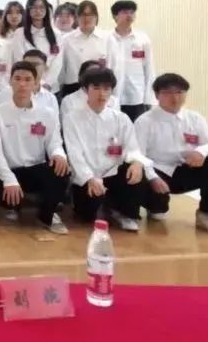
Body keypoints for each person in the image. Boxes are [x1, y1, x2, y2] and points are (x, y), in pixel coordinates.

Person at [135, 73, 208, 238]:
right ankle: (155, 206)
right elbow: (138, 156)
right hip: (158, 171)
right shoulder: (145, 121)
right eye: (168, 92)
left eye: (179, 92)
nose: (175, 98)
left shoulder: (195, 118)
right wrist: (153, 178)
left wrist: (200, 152)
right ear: (157, 95)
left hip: (187, 168)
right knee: (159, 213)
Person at [0, 61, 70, 234]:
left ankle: (47, 215)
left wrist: (58, 154)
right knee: (7, 199)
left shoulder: (47, 113)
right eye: (17, 79)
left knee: (61, 170)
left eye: (27, 79)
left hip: (36, 168)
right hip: (10, 170)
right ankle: (13, 208)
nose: (22, 84)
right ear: (10, 81)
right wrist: (9, 179)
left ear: (36, 83)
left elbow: (54, 142)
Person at [64, 68, 152, 232]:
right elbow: (74, 154)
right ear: (86, 90)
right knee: (87, 216)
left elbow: (132, 147)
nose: (101, 93)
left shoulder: (121, 118)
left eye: (106, 88)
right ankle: (105, 205)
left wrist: (136, 163)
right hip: (87, 178)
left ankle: (126, 213)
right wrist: (90, 178)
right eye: (96, 88)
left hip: (113, 174)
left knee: (136, 169)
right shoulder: (72, 118)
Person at [55, 0, 118, 100]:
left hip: (99, 88)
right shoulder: (67, 40)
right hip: (73, 88)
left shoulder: (107, 39)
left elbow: (113, 67)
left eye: (90, 15)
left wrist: (112, 93)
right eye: (83, 15)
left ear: (96, 17)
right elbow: (61, 69)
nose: (86, 18)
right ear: (77, 17)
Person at [110, 0, 155, 121]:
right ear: (115, 16)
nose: (129, 15)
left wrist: (149, 98)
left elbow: (149, 69)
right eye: (125, 12)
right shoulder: (107, 39)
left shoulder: (142, 39)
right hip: (113, 96)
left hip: (136, 96)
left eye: (132, 12)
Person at [60, 60, 120, 125]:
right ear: (81, 78)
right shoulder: (69, 101)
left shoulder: (113, 100)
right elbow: (67, 125)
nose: (96, 78)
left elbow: (116, 124)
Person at [22, 49, 60, 115]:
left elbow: (54, 121)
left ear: (45, 67)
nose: (30, 68)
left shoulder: (51, 98)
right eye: (26, 65)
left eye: (35, 65)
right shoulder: (8, 93)